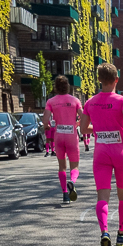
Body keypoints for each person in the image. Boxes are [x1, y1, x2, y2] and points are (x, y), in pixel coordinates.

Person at [79, 63, 123, 246]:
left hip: (101, 153)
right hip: (120, 152)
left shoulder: (90, 102)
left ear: (99, 80)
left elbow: (83, 129)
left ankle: (104, 233)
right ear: (116, 80)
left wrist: (100, 131)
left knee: (102, 196)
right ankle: (121, 234)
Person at [42, 76, 83, 204]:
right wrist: (78, 123)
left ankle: (65, 194)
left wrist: (47, 126)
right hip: (72, 136)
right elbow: (84, 117)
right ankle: (73, 181)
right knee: (74, 165)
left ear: (56, 87)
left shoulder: (51, 101)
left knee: (62, 167)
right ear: (68, 87)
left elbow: (45, 120)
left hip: (59, 136)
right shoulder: (75, 100)